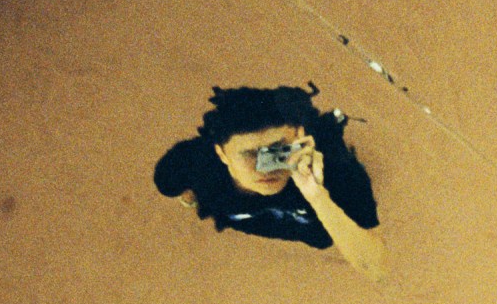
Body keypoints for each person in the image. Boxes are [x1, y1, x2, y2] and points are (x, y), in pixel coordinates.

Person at [153, 83, 387, 279]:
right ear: (222, 154)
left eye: (277, 150)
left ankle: (327, 124)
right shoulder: (198, 164)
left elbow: (375, 269)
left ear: (299, 137)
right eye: (248, 154)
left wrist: (316, 195)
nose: (265, 167)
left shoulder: (338, 171)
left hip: (317, 229)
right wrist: (194, 196)